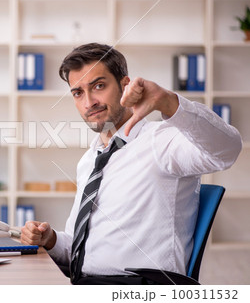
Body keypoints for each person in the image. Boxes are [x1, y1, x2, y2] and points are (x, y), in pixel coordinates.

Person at [20, 43, 242, 285]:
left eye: (99, 86)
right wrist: (50, 239)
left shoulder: (161, 140)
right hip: (86, 284)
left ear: (125, 86)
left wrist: (169, 102)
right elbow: (79, 249)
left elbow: (226, 150)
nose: (89, 102)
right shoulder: (90, 160)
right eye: (78, 93)